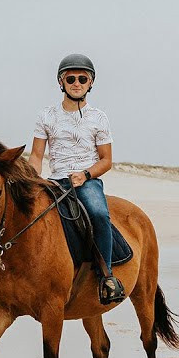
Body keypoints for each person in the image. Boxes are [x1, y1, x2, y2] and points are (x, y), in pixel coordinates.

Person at [29, 53, 125, 304]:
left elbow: (106, 160)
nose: (77, 83)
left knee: (99, 213)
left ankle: (107, 276)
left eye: (83, 78)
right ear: (61, 82)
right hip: (55, 180)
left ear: (91, 83)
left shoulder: (99, 118)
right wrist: (31, 177)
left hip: (86, 180)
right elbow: (37, 155)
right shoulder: (46, 116)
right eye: (70, 78)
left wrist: (85, 175)